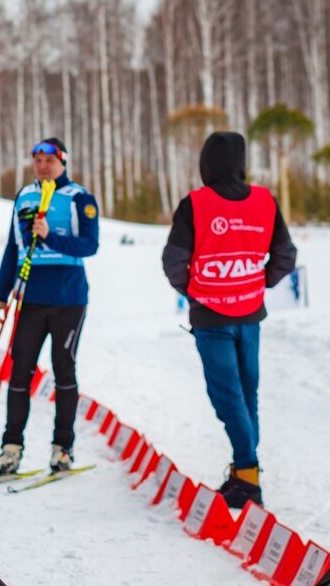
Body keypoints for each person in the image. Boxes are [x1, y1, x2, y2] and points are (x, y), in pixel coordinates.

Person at [162, 131, 296, 509]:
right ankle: (243, 474)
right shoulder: (264, 201)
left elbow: (173, 261)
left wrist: (196, 291)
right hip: (250, 314)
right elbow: (285, 255)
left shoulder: (195, 204)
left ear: (206, 162)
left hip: (212, 317)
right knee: (246, 393)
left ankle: (248, 475)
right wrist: (257, 281)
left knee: (227, 397)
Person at [0, 137, 99, 477]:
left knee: (63, 369)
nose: (42, 165)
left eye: (49, 159)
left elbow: (90, 245)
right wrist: (0, 293)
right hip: (30, 297)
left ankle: (62, 449)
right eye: (37, 159)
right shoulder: (24, 195)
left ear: (62, 161)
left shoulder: (78, 197)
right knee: (20, 371)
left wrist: (51, 236)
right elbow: (14, 246)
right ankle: (11, 448)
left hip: (68, 299)